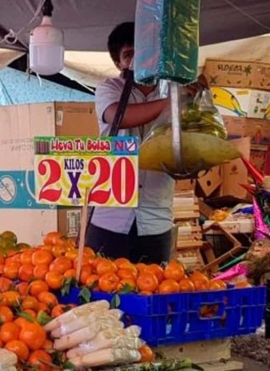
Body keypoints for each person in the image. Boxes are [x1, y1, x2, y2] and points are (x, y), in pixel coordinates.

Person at [86, 22, 176, 263]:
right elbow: (118, 116)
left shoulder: (173, 90)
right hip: (110, 218)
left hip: (156, 218)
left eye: (145, 51)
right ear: (118, 63)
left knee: (154, 291)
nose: (139, 59)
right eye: (129, 54)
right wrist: (174, 103)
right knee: (102, 294)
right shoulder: (110, 88)